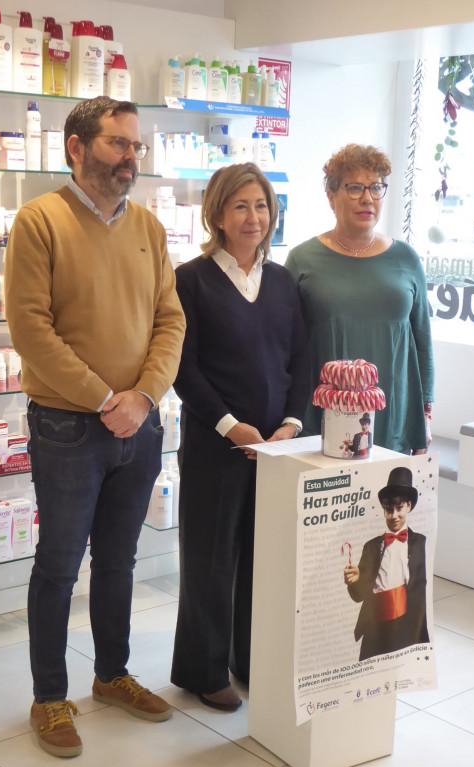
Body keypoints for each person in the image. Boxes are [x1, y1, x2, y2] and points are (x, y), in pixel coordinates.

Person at [4, 97, 186, 758]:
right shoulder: (40, 221)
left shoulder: (148, 226)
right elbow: (31, 328)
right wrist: (106, 396)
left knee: (119, 558)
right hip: (66, 427)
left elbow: (171, 319)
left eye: (135, 146)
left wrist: (142, 395)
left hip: (139, 426)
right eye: (116, 144)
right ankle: (49, 696)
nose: (129, 158)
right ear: (76, 148)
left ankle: (111, 674)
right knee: (57, 564)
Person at [170, 163, 309, 711]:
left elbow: (301, 357)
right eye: (240, 207)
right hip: (216, 444)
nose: (253, 217)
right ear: (218, 216)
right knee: (210, 559)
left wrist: (292, 425)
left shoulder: (281, 282)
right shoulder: (192, 279)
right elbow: (184, 367)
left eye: (261, 206)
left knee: (262, 558)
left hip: (277, 447)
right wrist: (230, 426)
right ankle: (203, 670)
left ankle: (250, 660)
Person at [285, 143, 434, 455]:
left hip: (393, 415)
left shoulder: (406, 258)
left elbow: (422, 340)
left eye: (376, 187)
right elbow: (285, 347)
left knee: (387, 502)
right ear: (331, 195)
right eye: (354, 188)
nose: (367, 198)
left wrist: (425, 417)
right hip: (322, 417)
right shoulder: (302, 260)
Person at [343, 466, 430, 661]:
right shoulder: (371, 546)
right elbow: (358, 596)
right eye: (388, 510)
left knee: (398, 674)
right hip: (375, 626)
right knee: (369, 674)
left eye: (399, 509)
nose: (394, 516)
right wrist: (354, 581)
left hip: (406, 625)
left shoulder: (422, 543)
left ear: (408, 505)